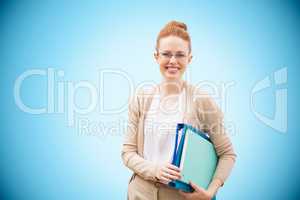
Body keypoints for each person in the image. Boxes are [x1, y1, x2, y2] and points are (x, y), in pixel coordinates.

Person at [121, 20, 236, 200]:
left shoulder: (202, 101)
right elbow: (128, 153)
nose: (173, 61)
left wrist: (210, 192)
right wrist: (155, 170)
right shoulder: (141, 99)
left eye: (180, 55)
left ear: (189, 58)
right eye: (166, 54)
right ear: (156, 56)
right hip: (139, 193)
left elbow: (227, 154)